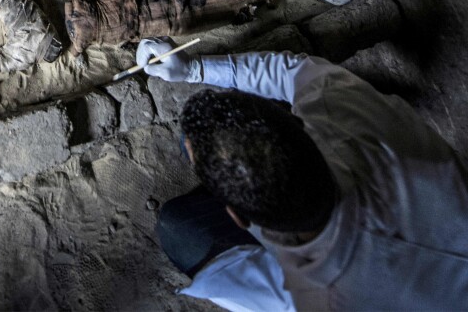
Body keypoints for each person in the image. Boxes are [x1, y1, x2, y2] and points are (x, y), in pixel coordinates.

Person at [136, 37, 468, 311]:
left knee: (178, 227)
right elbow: (293, 72)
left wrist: (194, 72)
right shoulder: (354, 113)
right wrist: (192, 69)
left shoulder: (305, 298)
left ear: (238, 218)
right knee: (204, 138)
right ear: (300, 128)